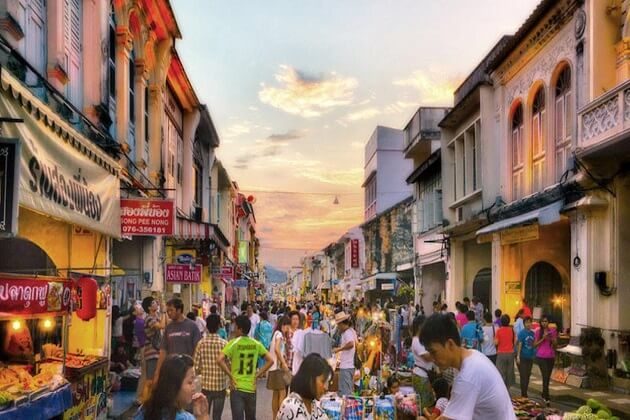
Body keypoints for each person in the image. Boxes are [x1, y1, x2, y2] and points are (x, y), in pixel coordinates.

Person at [418, 314, 516, 420]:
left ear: (450, 344)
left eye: (434, 352)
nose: (432, 359)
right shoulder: (472, 355)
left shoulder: (467, 376)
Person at [217, 315, 273, 420]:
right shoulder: (256, 344)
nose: (234, 329)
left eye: (235, 327)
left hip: (236, 387)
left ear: (240, 329)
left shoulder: (233, 343)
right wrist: (257, 375)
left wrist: (230, 375)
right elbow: (271, 360)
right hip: (251, 387)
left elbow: (219, 359)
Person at [135, 354, 209, 420]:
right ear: (174, 386)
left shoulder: (144, 410)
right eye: (190, 382)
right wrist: (203, 416)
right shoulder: (185, 418)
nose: (194, 387)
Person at [154, 298, 202, 382]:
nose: (169, 313)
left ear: (179, 310)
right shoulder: (168, 328)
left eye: (171, 310)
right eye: (167, 311)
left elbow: (198, 349)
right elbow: (163, 351)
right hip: (172, 371)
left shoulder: (192, 326)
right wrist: (157, 372)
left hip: (187, 370)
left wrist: (193, 367)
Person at [276, 353, 332, 420]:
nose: (326, 388)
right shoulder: (291, 406)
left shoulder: (313, 404)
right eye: (323, 381)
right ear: (310, 379)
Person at [193, 314, 228, 420]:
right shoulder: (224, 344)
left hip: (206, 387)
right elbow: (229, 364)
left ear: (207, 327)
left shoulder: (201, 343)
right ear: (218, 326)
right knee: (217, 416)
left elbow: (195, 366)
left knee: (204, 415)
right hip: (220, 386)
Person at [268, 316, 292, 419]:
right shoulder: (279, 335)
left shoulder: (275, 334)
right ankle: (280, 417)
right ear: (283, 325)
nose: (288, 329)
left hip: (273, 368)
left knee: (276, 393)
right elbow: (277, 349)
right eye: (287, 327)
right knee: (282, 392)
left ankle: (275, 417)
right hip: (278, 368)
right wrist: (284, 363)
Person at [141, 296, 163, 401]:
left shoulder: (156, 316)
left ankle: (151, 401)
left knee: (155, 379)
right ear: (149, 307)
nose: (156, 303)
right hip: (151, 352)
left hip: (157, 351)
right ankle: (145, 403)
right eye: (154, 302)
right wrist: (163, 311)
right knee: (149, 380)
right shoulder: (149, 318)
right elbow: (161, 326)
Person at [411, 315, 435, 409]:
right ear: (420, 326)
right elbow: (427, 357)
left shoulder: (421, 340)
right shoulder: (417, 341)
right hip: (421, 375)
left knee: (425, 403)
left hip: (423, 373)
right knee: (424, 405)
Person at [534, 315, 557, 405]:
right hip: (541, 357)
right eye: (543, 321)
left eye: (546, 321)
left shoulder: (553, 331)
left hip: (550, 357)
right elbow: (535, 344)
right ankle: (546, 396)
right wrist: (543, 338)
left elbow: (555, 344)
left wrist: (551, 338)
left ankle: (544, 393)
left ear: (548, 322)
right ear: (540, 322)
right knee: (545, 375)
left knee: (548, 377)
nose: (544, 323)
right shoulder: (538, 332)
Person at [332, 311, 356, 397]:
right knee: (346, 392)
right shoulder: (351, 331)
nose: (338, 327)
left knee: (345, 394)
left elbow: (351, 344)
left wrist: (339, 349)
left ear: (342, 324)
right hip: (348, 366)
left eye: (338, 325)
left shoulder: (347, 333)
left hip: (346, 367)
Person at [494, 314, 516, 390]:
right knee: (509, 372)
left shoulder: (499, 331)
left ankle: (502, 389)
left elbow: (496, 343)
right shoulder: (512, 330)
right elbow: (515, 341)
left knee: (501, 371)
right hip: (510, 353)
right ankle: (508, 388)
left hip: (501, 353)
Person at [516, 316, 535, 398]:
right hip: (523, 357)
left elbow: (534, 344)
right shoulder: (521, 333)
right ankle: (524, 394)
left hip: (530, 357)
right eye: (526, 322)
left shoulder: (533, 333)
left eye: (529, 322)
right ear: (524, 324)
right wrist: (518, 356)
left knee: (528, 375)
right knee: (523, 376)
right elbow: (519, 345)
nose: (528, 324)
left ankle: (525, 391)